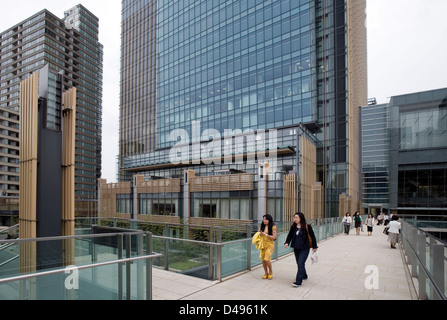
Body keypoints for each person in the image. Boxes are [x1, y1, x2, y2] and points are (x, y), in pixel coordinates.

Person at [284, 212, 318, 287]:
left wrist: (315, 247)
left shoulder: (307, 226)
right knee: (300, 263)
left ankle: (298, 281)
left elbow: (312, 237)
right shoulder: (293, 227)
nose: (295, 219)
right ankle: (304, 275)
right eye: (294, 217)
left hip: (305, 248)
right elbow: (290, 235)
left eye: (297, 217)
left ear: (301, 218)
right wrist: (287, 242)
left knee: (300, 263)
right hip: (296, 248)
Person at [259, 214, 277, 279]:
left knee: (267, 259)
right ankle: (266, 273)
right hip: (263, 245)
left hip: (270, 245)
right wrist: (260, 234)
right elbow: (259, 233)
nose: (264, 221)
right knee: (263, 260)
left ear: (269, 220)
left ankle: (270, 272)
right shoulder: (262, 226)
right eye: (263, 219)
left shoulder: (273, 227)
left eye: (266, 219)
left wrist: (265, 234)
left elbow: (274, 237)